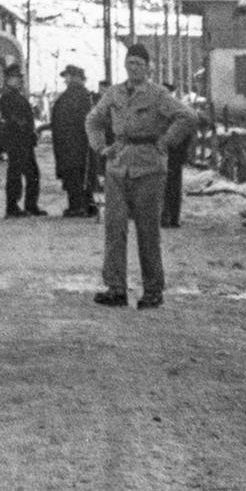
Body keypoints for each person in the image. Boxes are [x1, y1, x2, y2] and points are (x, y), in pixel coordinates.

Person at [85, 42, 192, 307]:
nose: (134, 68)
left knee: (148, 231)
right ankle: (116, 288)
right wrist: (101, 147)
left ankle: (153, 290)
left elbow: (186, 116)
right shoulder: (114, 93)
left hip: (148, 168)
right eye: (131, 63)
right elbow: (93, 120)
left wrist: (166, 141)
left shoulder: (157, 95)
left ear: (148, 68)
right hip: (118, 165)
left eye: (140, 64)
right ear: (125, 65)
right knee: (115, 229)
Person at [0, 61, 43, 217]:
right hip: (17, 141)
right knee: (16, 175)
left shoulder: (18, 96)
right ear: (8, 79)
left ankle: (30, 205)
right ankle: (13, 207)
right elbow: (13, 118)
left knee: (32, 174)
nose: (20, 80)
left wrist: (31, 131)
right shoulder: (7, 98)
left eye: (20, 77)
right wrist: (25, 128)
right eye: (17, 77)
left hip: (24, 141)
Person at [51, 65, 97, 217]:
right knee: (81, 173)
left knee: (75, 174)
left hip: (72, 142)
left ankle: (78, 206)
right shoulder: (83, 95)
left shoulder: (75, 96)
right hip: (77, 142)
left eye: (69, 76)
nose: (66, 79)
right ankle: (85, 204)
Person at [160, 89, 200, 230]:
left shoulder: (162, 106)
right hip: (179, 146)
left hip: (173, 147)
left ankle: (166, 217)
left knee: (165, 182)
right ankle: (172, 218)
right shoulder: (180, 108)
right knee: (173, 182)